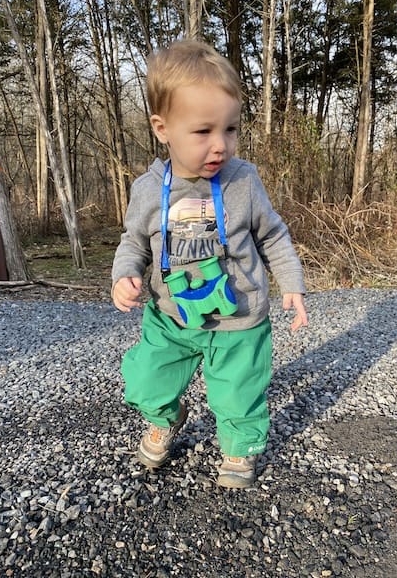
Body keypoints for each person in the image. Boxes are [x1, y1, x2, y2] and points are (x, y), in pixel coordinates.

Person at [111, 39, 308, 488]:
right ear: (163, 128)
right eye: (203, 132)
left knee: (238, 391)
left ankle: (239, 448)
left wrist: (291, 283)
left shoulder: (244, 180)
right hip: (170, 315)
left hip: (239, 317)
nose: (221, 145)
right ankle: (167, 415)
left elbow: (273, 233)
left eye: (231, 129)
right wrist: (125, 274)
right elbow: (134, 242)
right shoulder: (147, 189)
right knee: (144, 380)